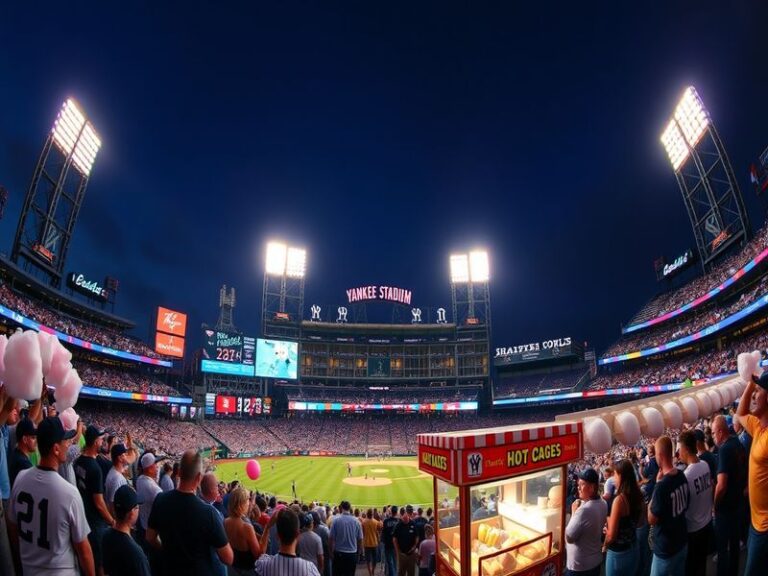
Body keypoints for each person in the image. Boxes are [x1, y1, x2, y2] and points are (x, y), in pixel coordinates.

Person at [8, 416, 94, 576]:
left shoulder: (20, 478)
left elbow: (12, 526)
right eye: (66, 441)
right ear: (55, 448)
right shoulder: (70, 494)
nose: (68, 445)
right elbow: (84, 550)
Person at [146, 449, 234, 575]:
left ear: (179, 472)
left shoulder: (160, 500)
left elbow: (150, 537)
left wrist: (167, 549)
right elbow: (228, 558)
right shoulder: (209, 513)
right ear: (199, 477)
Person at [737, 372, 768, 575]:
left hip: (765, 527)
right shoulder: (758, 426)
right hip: (755, 521)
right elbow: (740, 413)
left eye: (758, 392)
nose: (754, 396)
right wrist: (751, 383)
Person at [74, 424, 115, 575]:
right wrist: (112, 521)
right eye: (101, 439)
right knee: (99, 564)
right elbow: (99, 503)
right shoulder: (95, 468)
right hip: (95, 523)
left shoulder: (78, 461)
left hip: (83, 516)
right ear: (96, 442)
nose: (103, 442)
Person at [648, 435, 689, 576]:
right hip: (682, 542)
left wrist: (657, 485)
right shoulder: (682, 476)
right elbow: (686, 505)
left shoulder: (661, 486)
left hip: (666, 550)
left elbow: (651, 519)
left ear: (660, 455)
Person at [712, 414, 747, 576]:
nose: (712, 437)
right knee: (734, 546)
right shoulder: (737, 442)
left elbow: (721, 485)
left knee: (722, 547)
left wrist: (714, 504)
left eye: (713, 433)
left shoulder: (725, 449)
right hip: (738, 502)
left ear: (720, 432)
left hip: (725, 508)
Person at [677, 429, 713, 576]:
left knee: (691, 568)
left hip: (693, 531)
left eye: (679, 450)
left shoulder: (686, 475)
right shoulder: (705, 464)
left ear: (685, 449)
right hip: (707, 523)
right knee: (702, 564)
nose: (678, 453)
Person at [565, 468, 607, 576]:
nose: (578, 487)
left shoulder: (584, 511)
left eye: (582, 484)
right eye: (578, 483)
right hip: (595, 562)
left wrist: (574, 513)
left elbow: (569, 537)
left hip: (580, 568)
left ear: (592, 488)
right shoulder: (603, 503)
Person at [603, 459, 642, 576]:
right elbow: (640, 523)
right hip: (634, 548)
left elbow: (611, 536)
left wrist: (604, 544)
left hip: (618, 554)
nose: (613, 478)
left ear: (621, 475)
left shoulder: (619, 500)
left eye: (615, 474)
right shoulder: (638, 494)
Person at [254, 508, 321, 576]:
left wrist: (267, 528)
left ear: (277, 536)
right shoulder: (310, 569)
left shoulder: (265, 565)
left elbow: (260, 555)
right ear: (298, 536)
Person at [102, 485, 151, 576]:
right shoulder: (136, 554)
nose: (138, 510)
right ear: (132, 513)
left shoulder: (105, 536)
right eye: (137, 507)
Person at [224, 487, 269, 576]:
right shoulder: (246, 527)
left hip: (233, 568)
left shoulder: (225, 521)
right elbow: (259, 556)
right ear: (241, 504)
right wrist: (267, 529)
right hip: (247, 571)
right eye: (247, 500)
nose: (249, 504)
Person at [329, 500, 363, 576]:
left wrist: (331, 552)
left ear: (341, 508)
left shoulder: (335, 520)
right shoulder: (356, 521)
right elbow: (360, 539)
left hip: (339, 555)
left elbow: (331, 538)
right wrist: (358, 554)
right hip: (352, 555)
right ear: (349, 508)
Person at [8, 417, 36, 488]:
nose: (36, 441)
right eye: (33, 438)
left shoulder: (16, 454)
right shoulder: (23, 464)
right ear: (25, 439)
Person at [393, 505, 420, 576]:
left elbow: (417, 537)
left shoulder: (413, 524)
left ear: (408, 518)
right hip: (402, 554)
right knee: (401, 573)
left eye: (406, 520)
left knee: (411, 573)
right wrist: (397, 552)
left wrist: (414, 546)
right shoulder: (398, 525)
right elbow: (394, 539)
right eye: (403, 520)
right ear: (402, 518)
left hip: (411, 554)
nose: (405, 521)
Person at [105, 443, 129, 516]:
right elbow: (111, 504)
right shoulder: (117, 479)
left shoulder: (113, 470)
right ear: (120, 458)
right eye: (124, 455)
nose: (126, 456)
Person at [361, 508, 382, 576]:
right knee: (374, 559)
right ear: (372, 514)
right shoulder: (376, 522)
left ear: (367, 514)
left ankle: (370, 572)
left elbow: (362, 533)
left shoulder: (363, 522)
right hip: (374, 543)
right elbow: (380, 529)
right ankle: (372, 571)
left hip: (366, 543)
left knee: (368, 560)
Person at [312, 510, 332, 576]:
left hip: (316, 557)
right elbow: (330, 542)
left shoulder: (305, 531)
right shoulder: (324, 529)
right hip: (325, 555)